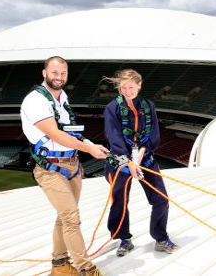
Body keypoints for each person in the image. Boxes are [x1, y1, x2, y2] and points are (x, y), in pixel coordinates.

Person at [20, 56, 109, 276]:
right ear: (44, 73)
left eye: (63, 73)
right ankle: (86, 268)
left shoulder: (62, 97)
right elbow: (55, 134)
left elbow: (70, 131)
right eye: (54, 73)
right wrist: (89, 150)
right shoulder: (35, 100)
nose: (59, 77)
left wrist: (90, 144)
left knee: (64, 217)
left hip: (71, 165)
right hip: (50, 168)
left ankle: (59, 266)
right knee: (71, 218)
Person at [103, 69, 179, 257]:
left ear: (139, 85)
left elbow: (153, 134)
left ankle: (160, 238)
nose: (127, 92)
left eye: (130, 87)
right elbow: (114, 137)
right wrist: (129, 162)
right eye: (123, 88)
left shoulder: (148, 106)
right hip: (120, 162)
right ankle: (123, 239)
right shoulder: (112, 108)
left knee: (161, 199)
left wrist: (141, 153)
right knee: (119, 201)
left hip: (145, 159)